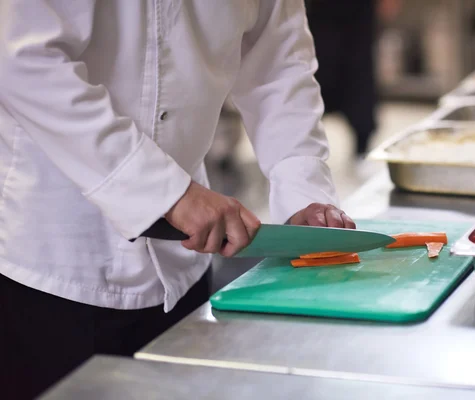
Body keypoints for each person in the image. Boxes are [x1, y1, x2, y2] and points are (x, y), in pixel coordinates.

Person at [0, 1, 356, 398]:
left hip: (183, 265)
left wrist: (302, 191)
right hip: (52, 265)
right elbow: (24, 61)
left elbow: (278, 63)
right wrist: (167, 192)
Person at [306, 0, 401, 159]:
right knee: (315, 67)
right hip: (318, 9)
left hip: (359, 9)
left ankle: (362, 150)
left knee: (359, 68)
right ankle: (302, 154)